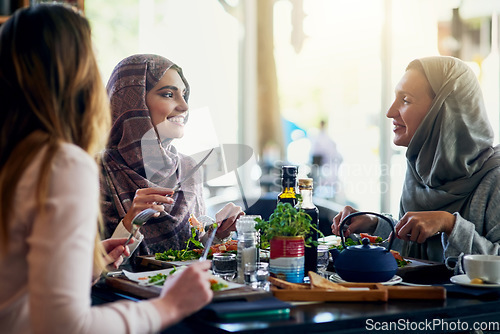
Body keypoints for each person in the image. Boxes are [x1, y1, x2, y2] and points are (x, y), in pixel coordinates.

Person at [0, 4, 212, 333]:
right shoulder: (63, 165)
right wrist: (168, 307)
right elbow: (64, 326)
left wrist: (85, 263)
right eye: (91, 62)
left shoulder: (17, 159)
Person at [332, 56, 500, 263]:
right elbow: (418, 249)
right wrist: (374, 223)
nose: (390, 112)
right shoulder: (420, 170)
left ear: (443, 110)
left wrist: (450, 225)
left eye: (405, 100)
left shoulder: (495, 178)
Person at [100, 54, 243, 258]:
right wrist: (130, 223)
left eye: (184, 95)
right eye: (168, 94)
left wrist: (217, 235)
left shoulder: (188, 168)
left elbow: (191, 249)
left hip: (188, 288)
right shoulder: (94, 171)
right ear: (132, 104)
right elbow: (83, 268)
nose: (184, 107)